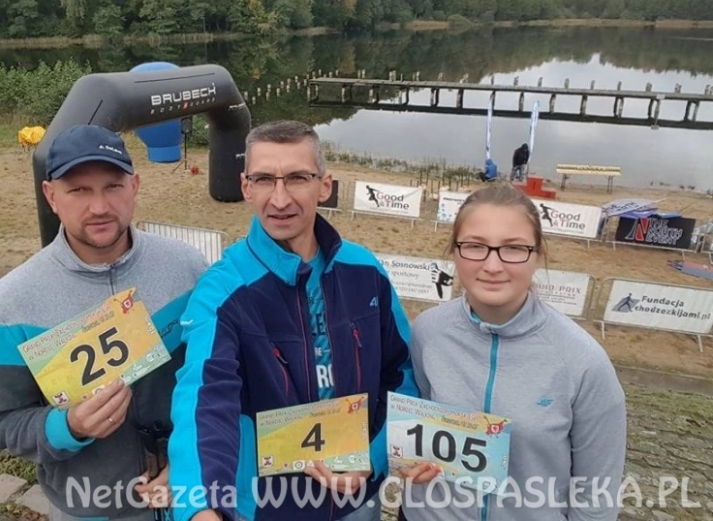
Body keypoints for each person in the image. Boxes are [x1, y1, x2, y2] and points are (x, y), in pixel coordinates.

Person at [169, 120, 417, 521]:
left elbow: (400, 375)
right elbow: (204, 400)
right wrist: (200, 506)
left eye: (298, 178)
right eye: (265, 179)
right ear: (246, 187)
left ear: (325, 185)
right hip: (267, 509)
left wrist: (372, 458)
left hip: (358, 504)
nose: (280, 199)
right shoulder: (221, 291)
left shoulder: (365, 270)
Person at [0, 124, 208, 521]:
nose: (99, 207)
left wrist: (193, 459)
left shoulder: (188, 269)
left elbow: (219, 381)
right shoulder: (12, 303)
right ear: (51, 196)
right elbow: (0, 420)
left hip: (191, 496)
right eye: (78, 190)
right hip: (90, 508)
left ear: (134, 186)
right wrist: (68, 426)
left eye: (112, 186)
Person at [401, 185, 626, 521]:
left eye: (513, 248)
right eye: (475, 246)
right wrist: (408, 460)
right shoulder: (426, 332)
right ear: (454, 252)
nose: (493, 265)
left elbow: (597, 496)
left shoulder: (584, 364)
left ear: (537, 254)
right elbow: (413, 427)